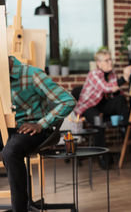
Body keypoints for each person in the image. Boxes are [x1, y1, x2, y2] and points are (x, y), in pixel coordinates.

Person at [1, 56, 76, 212]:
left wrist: (41, 124)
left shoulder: (32, 74)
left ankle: (20, 209)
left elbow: (68, 101)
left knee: (10, 152)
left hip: (34, 128)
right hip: (6, 128)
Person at [73, 49, 131, 167]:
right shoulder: (93, 74)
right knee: (98, 121)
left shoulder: (112, 74)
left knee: (120, 99)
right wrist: (124, 78)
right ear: (99, 64)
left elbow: (114, 93)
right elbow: (106, 88)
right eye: (107, 60)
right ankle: (102, 157)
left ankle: (127, 130)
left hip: (102, 105)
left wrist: (123, 95)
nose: (110, 62)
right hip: (88, 107)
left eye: (110, 59)